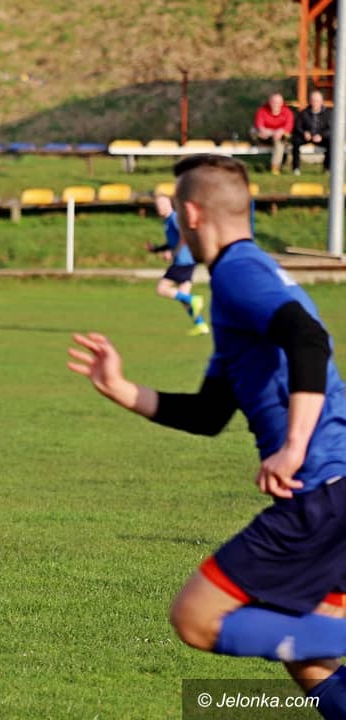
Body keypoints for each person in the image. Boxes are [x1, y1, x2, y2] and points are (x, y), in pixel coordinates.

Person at [68, 154, 346, 717]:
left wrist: (293, 447)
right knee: (305, 653)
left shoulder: (239, 273)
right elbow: (209, 412)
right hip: (332, 488)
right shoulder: (244, 281)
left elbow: (308, 340)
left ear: (192, 214)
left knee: (196, 618)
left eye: (177, 212)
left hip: (320, 489)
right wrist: (121, 389)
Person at [146, 193, 208, 336]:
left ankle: (194, 299)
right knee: (182, 295)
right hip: (188, 261)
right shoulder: (167, 221)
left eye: (162, 204)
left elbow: (185, 236)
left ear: (170, 204)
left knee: (162, 289)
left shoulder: (175, 218)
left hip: (183, 261)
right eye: (157, 205)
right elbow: (172, 242)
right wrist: (156, 249)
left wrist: (173, 253)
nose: (160, 207)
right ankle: (201, 324)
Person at [253, 92, 295, 175]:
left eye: (278, 102)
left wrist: (280, 131)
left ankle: (275, 167)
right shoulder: (262, 110)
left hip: (280, 138)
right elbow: (259, 125)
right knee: (254, 131)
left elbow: (289, 127)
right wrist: (273, 132)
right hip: (264, 137)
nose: (276, 104)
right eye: (274, 102)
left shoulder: (287, 112)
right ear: (269, 102)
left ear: (282, 103)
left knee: (280, 142)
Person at [293, 89, 332, 175]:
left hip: (321, 138)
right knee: (296, 141)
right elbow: (297, 127)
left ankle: (327, 168)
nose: (315, 103)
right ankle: (296, 168)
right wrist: (304, 133)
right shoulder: (303, 113)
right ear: (310, 101)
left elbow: (331, 129)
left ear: (322, 101)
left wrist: (321, 135)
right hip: (307, 137)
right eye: (313, 100)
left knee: (331, 142)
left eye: (317, 101)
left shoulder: (328, 114)